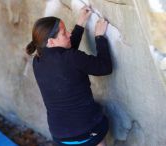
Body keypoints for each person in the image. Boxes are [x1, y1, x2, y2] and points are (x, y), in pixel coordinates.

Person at [25, 6, 112, 146]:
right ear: (51, 42)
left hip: (60, 136)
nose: (69, 34)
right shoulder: (71, 58)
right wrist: (99, 37)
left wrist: (80, 24)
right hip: (88, 131)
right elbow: (104, 67)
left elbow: (65, 56)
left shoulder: (38, 61)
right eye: (64, 33)